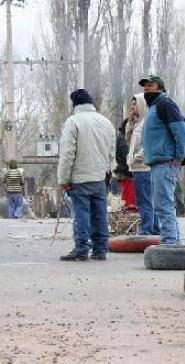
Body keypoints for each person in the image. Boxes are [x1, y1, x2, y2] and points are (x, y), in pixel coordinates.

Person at [57, 89, 116, 261]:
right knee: (99, 213)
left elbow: (68, 153)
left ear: (75, 104)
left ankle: (81, 248)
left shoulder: (73, 122)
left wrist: (63, 179)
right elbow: (111, 151)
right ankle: (100, 249)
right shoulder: (106, 122)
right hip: (100, 176)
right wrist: (107, 171)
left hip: (79, 178)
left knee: (81, 213)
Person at [139, 74, 185, 245]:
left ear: (160, 87)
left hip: (166, 163)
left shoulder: (165, 104)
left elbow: (181, 131)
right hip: (158, 163)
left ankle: (169, 243)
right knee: (164, 205)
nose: (146, 88)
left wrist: (179, 157)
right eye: (144, 85)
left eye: (150, 85)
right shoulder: (154, 107)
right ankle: (174, 243)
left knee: (163, 205)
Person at [125, 93, 160, 235]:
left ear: (141, 104)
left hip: (143, 167)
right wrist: (130, 123)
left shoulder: (148, 122)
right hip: (137, 167)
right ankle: (155, 229)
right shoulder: (139, 123)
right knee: (146, 200)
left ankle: (146, 230)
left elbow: (149, 145)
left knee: (145, 202)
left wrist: (136, 159)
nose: (132, 107)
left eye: (134, 104)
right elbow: (129, 141)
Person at [114, 118, 136, 209]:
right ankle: (129, 221)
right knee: (130, 202)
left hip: (124, 172)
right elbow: (126, 156)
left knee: (127, 198)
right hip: (126, 173)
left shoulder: (121, 136)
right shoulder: (124, 138)